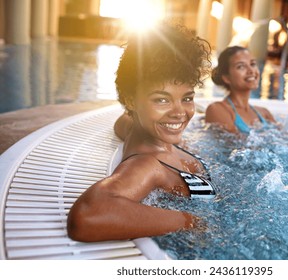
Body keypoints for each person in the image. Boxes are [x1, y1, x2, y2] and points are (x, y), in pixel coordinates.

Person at [67, 21, 214, 242]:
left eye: (187, 98)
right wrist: (191, 221)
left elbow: (123, 121)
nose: (179, 112)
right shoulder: (147, 165)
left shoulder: (135, 128)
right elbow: (86, 217)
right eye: (162, 99)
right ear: (130, 100)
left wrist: (154, 119)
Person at [205, 46, 277, 134]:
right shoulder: (217, 109)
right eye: (241, 67)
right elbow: (235, 144)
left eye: (253, 64)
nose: (251, 71)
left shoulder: (264, 113)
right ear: (226, 78)